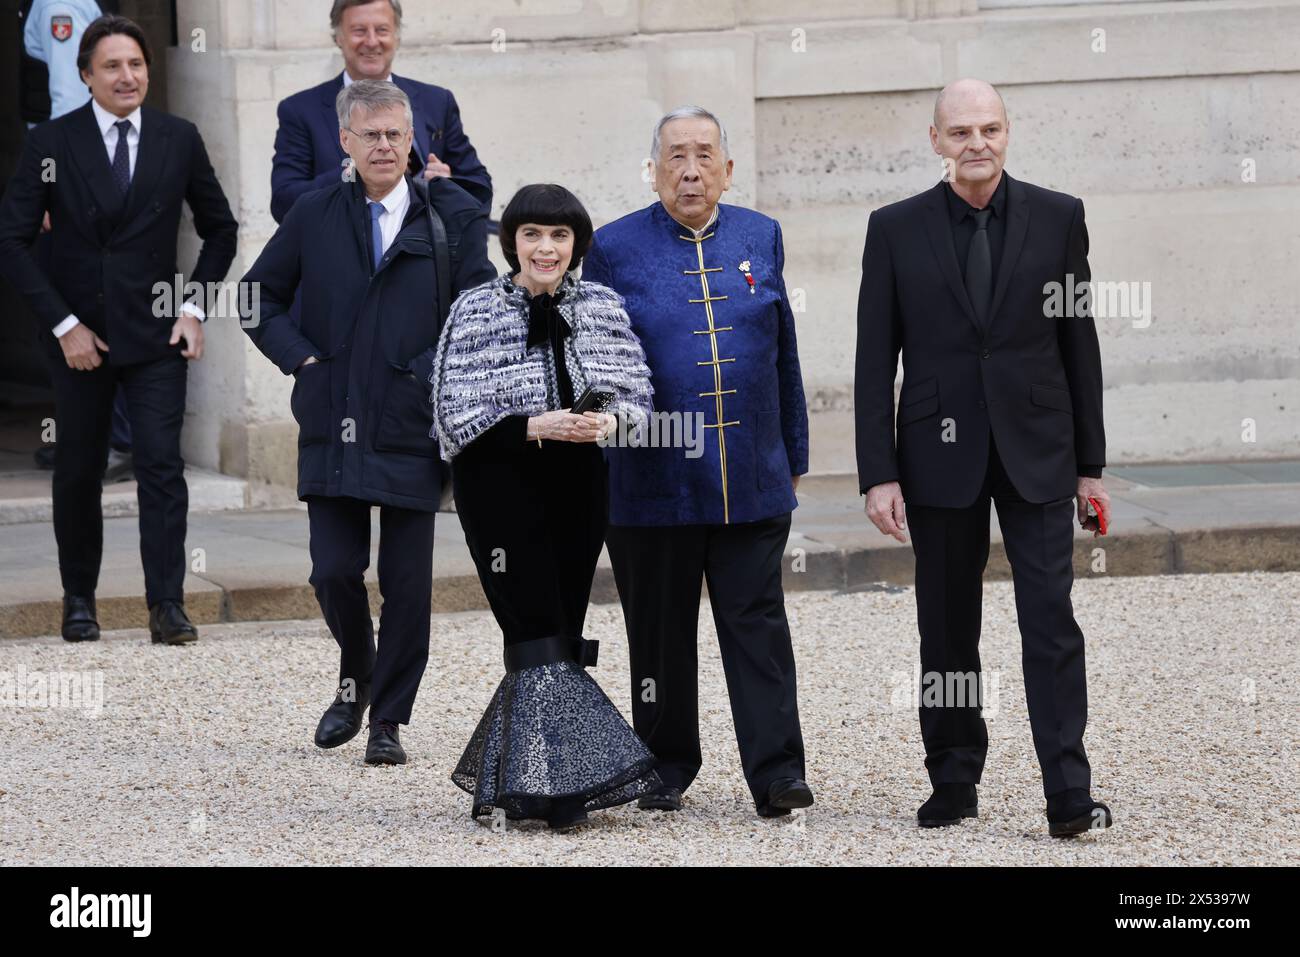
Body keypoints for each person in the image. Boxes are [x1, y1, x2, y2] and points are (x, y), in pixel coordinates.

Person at [854, 78, 1113, 837]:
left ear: (1008, 133)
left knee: (1050, 621)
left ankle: (1068, 790)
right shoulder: (894, 228)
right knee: (944, 626)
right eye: (961, 131)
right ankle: (954, 776)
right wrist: (879, 472)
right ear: (935, 140)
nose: (977, 143)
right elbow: (876, 360)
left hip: (1040, 449)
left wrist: (1090, 466)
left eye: (990, 129)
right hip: (937, 456)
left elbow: (1079, 345)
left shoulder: (1060, 217)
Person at [242, 80, 494, 765]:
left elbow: (481, 312)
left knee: (408, 582)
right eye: (370, 134)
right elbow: (256, 296)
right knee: (332, 570)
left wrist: (424, 372)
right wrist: (303, 361)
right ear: (345, 142)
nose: (384, 146)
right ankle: (358, 675)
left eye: (395, 134)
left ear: (412, 141)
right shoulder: (314, 212)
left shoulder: (454, 214)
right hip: (332, 417)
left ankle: (388, 719)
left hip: (414, 424)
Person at [582, 106, 814, 820]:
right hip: (651, 480)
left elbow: (784, 350)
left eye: (704, 155)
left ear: (728, 168)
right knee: (658, 631)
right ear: (653, 169)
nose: (691, 170)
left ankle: (777, 773)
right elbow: (595, 356)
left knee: (759, 628)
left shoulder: (760, 234)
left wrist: (794, 452)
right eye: (676, 156)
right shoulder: (614, 247)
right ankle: (665, 764)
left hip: (750, 473)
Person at [0, 14, 237, 644]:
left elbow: (221, 229)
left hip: (157, 336)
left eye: (135, 64)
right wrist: (63, 325)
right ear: (85, 76)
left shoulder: (177, 137)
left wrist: (192, 310)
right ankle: (79, 600)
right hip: (80, 340)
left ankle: (168, 606)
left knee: (162, 468)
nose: (126, 75)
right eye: (111, 66)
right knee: (77, 468)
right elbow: (12, 242)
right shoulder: (51, 145)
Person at [432, 184, 660, 831]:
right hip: (500, 492)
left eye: (559, 236)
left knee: (558, 628)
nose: (546, 247)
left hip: (579, 490)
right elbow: (453, 417)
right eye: (533, 234)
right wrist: (536, 424)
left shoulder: (604, 307)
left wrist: (605, 426)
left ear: (575, 245)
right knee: (533, 630)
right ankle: (564, 788)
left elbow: (637, 402)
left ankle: (531, 782)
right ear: (512, 243)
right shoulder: (475, 310)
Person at [20, 0, 133, 481]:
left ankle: (115, 441)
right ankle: (89, 435)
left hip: (75, 181)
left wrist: (55, 185)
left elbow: (68, 95)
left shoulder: (59, 2)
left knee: (92, 308)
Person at [270, 0, 491, 224]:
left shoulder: (437, 101)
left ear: (397, 36)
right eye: (359, 31)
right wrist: (355, 172)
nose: (372, 41)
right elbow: (283, 203)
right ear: (338, 38)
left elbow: (480, 189)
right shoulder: (300, 110)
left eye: (382, 30)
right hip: (337, 254)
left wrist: (448, 186)